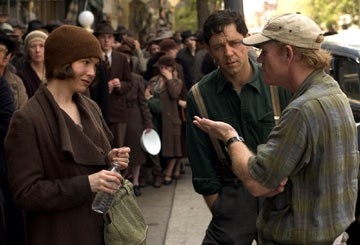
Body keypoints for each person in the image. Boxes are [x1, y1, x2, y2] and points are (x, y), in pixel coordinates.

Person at [192, 12, 359, 244]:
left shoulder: (302, 109)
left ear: (288, 54)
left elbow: (257, 181)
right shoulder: (330, 91)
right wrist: (220, 206)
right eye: (219, 47)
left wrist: (230, 137)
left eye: (264, 52)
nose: (259, 59)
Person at [4, 25, 131, 245]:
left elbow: (91, 160)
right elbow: (26, 192)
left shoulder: (90, 107)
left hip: (100, 232)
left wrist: (111, 161)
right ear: (63, 61)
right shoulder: (28, 119)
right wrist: (86, 184)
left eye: (95, 65)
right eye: (85, 63)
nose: (92, 72)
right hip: (59, 234)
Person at [186, 9, 291, 245]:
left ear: (247, 39)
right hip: (232, 197)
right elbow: (200, 159)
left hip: (279, 197)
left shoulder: (277, 84)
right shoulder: (200, 95)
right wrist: (218, 205)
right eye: (218, 47)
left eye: (234, 43)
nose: (228, 53)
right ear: (210, 51)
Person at [91, 21, 132, 147]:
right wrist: (102, 86)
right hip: (98, 108)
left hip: (118, 110)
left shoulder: (121, 58)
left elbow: (129, 82)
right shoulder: (93, 58)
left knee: (119, 147)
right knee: (102, 145)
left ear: (114, 40)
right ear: (98, 39)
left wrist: (120, 85)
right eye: (103, 37)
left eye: (109, 37)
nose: (106, 40)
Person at [146, 55, 183, 185]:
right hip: (156, 118)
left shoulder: (176, 81)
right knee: (158, 148)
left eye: (165, 67)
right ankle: (159, 173)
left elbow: (175, 94)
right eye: (160, 67)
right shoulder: (154, 80)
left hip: (170, 119)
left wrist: (169, 79)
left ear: (171, 68)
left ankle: (168, 172)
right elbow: (147, 95)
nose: (162, 69)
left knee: (173, 149)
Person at [17, 30, 48, 97]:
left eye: (41, 46)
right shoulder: (22, 76)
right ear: (28, 50)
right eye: (33, 46)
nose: (37, 50)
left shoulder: (53, 72)